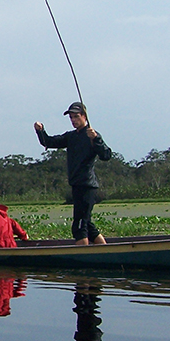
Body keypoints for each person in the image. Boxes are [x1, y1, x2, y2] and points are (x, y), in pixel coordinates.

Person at [34, 102, 113, 246]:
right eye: (71, 117)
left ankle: (83, 256)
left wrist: (96, 139)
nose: (73, 120)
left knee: (79, 225)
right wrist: (40, 131)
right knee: (87, 223)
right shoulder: (71, 136)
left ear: (84, 117)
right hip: (76, 185)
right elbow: (49, 142)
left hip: (88, 185)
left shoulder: (92, 135)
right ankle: (105, 249)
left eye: (76, 116)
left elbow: (106, 155)